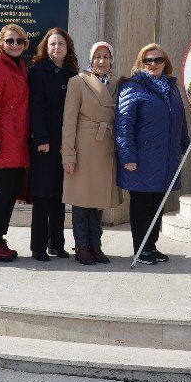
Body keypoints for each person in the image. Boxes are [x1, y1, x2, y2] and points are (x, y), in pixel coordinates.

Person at [115, 43, 191, 265]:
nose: (154, 64)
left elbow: (181, 120)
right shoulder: (132, 87)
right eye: (148, 60)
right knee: (142, 204)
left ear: (165, 63)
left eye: (158, 60)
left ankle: (151, 246)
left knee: (158, 203)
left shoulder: (172, 88)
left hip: (166, 158)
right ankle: (141, 249)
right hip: (142, 159)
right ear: (141, 63)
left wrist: (184, 145)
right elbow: (123, 125)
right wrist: (128, 156)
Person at [62, 41, 122, 265]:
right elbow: (68, 121)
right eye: (97, 56)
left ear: (111, 60)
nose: (101, 61)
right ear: (90, 59)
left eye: (106, 57)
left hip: (106, 146)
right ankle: (82, 246)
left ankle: (96, 244)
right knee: (81, 199)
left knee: (98, 200)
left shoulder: (117, 83)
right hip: (84, 145)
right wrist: (68, 154)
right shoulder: (77, 82)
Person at [27, 28, 79, 261]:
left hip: (66, 143)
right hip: (45, 143)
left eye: (61, 44)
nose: (57, 48)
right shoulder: (38, 72)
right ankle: (38, 247)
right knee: (42, 195)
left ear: (68, 48)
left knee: (60, 195)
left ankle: (57, 243)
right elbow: (35, 108)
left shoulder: (71, 74)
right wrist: (41, 139)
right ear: (45, 48)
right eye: (52, 44)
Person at [0, 24, 30, 262]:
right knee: (4, 193)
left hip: (18, 142)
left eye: (19, 41)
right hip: (3, 143)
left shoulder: (21, 67)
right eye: (10, 41)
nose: (15, 45)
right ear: (1, 43)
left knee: (10, 193)